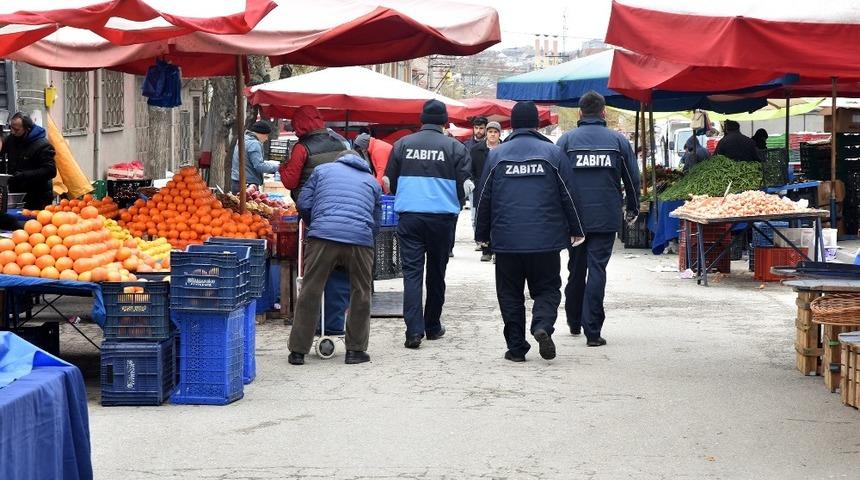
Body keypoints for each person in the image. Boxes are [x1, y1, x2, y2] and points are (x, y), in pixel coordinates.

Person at [475, 102, 585, 362]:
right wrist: (576, 229)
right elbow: (569, 194)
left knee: (510, 294)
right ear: (537, 124)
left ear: (511, 124)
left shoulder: (496, 155)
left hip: (507, 241)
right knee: (547, 288)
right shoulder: (553, 153)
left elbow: (483, 198)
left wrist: (482, 234)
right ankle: (542, 325)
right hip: (545, 241)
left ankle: (516, 348)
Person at [383, 99, 472, 349]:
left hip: (410, 217)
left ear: (421, 120)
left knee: (411, 274)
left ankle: (413, 331)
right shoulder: (456, 148)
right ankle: (432, 326)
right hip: (442, 219)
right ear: (445, 121)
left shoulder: (402, 145)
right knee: (436, 272)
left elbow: (389, 182)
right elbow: (465, 188)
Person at [557, 91, 640, 347]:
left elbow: (555, 179)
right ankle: (592, 330)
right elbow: (632, 179)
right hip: (605, 216)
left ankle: (573, 320)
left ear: (580, 113)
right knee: (597, 270)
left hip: (574, 219)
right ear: (604, 113)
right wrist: (633, 208)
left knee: (575, 268)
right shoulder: (617, 141)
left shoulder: (566, 141)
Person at [288, 150, 381, 365]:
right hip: (360, 240)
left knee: (311, 289)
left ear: (339, 159)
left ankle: (298, 352)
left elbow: (303, 202)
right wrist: (363, 236)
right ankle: (355, 351)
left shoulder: (322, 171)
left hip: (323, 237)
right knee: (361, 292)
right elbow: (376, 222)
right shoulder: (372, 182)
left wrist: (317, 223)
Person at [280, 105, 352, 335]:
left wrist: (283, 167)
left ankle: (308, 327)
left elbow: (291, 182)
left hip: (314, 215)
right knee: (338, 271)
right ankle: (333, 324)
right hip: (343, 210)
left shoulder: (302, 148)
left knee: (312, 273)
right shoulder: (340, 142)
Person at [0, 113, 56, 210]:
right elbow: (2, 147)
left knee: (34, 223)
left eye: (16, 129)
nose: (12, 132)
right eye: (11, 128)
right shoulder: (12, 139)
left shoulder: (42, 145)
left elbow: (50, 170)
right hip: (17, 193)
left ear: (27, 128)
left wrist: (24, 175)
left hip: (38, 196)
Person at [470, 120, 502, 261]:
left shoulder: (505, 148)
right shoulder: (476, 150)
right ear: (486, 133)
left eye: (495, 132)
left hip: (500, 188)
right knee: (482, 217)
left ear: (499, 134)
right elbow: (470, 169)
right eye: (490, 132)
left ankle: (496, 249)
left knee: (498, 218)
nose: (492, 135)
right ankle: (486, 249)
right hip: (481, 188)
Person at [230, 121, 280, 194]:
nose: (266, 139)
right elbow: (259, 166)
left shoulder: (243, 139)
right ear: (261, 133)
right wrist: (278, 167)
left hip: (236, 181)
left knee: (237, 204)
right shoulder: (254, 144)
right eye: (266, 135)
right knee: (249, 205)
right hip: (248, 185)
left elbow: (250, 161)